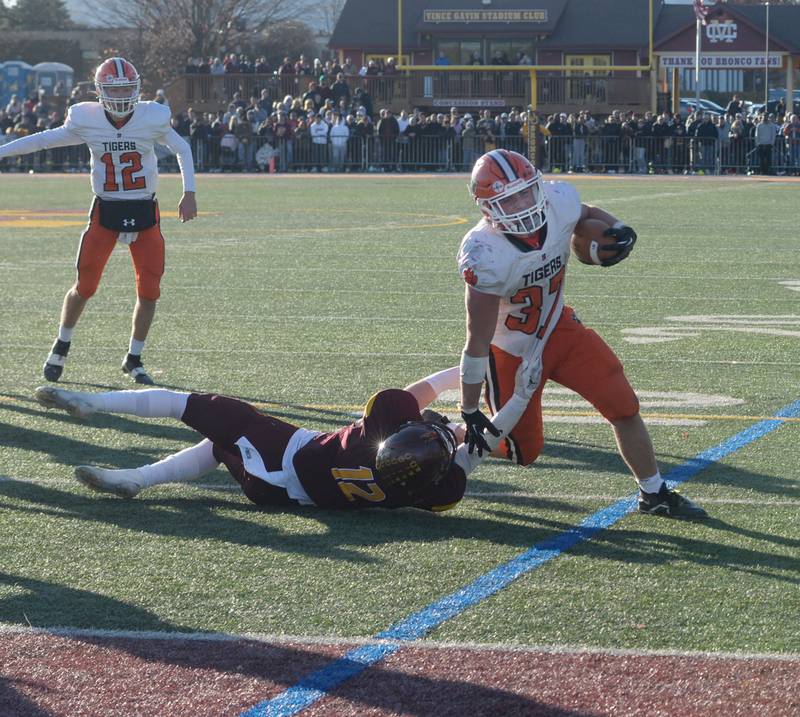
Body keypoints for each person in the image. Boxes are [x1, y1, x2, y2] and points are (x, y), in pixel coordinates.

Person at [454, 148, 707, 519]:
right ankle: (446, 431)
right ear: (487, 208)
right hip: (511, 349)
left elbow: (586, 215)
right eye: (509, 200)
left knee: (621, 401)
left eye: (526, 192)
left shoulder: (559, 200)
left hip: (560, 327)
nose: (523, 204)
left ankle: (653, 492)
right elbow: (477, 339)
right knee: (523, 451)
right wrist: (469, 407)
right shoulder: (484, 253)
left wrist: (616, 227)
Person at [32, 364, 532, 510]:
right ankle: (136, 480)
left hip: (285, 453)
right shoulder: (435, 488)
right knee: (218, 449)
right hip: (276, 496)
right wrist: (518, 400)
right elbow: (474, 448)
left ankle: (91, 401)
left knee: (194, 405)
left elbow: (421, 394)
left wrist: (465, 368)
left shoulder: (379, 426)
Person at [0, 57, 197, 385]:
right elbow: (41, 140)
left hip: (145, 210)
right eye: (113, 88)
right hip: (105, 210)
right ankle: (61, 346)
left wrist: (189, 191)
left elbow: (183, 148)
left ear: (137, 89)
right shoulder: (84, 117)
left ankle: (133, 358)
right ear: (99, 91)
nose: (120, 95)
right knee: (85, 286)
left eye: (125, 88)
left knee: (150, 290)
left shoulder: (153, 116)